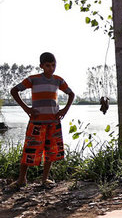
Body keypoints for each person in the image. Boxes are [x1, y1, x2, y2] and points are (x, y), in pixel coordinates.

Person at [7, 52, 75, 190]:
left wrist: (64, 110)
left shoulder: (58, 80)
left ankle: (45, 179)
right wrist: (26, 108)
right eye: (48, 65)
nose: (51, 68)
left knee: (51, 151)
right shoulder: (33, 79)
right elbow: (14, 90)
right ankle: (21, 179)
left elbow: (71, 94)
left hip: (53, 122)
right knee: (29, 150)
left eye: (53, 65)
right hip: (36, 122)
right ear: (41, 66)